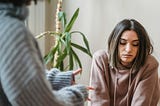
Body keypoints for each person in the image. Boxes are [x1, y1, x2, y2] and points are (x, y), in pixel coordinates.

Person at [0, 0, 89, 106]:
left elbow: (12, 75)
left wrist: (54, 79)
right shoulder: (12, 32)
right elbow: (43, 103)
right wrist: (79, 93)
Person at [89, 19, 160, 106]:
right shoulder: (100, 60)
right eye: (122, 43)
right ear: (114, 43)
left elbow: (142, 103)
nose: (128, 49)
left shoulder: (149, 64)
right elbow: (98, 102)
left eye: (135, 44)